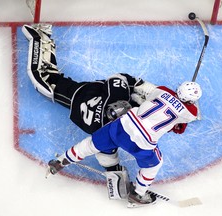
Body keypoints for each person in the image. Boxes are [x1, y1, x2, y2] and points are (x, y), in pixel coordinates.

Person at [46, 76, 202, 206]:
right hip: (142, 141)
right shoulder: (191, 112)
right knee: (155, 164)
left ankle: (60, 161)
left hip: (123, 125)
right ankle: (137, 194)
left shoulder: (162, 90)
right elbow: (180, 128)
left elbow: (151, 98)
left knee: (90, 144)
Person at [22, 24, 147, 172]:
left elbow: (118, 78)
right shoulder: (114, 130)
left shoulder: (117, 102)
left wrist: (115, 172)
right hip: (78, 94)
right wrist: (114, 171)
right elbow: (103, 154)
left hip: (79, 93)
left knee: (48, 79)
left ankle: (41, 39)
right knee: (45, 82)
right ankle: (38, 37)